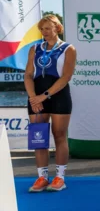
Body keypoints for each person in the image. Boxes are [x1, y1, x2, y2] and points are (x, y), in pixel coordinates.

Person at [24, 15, 77, 192]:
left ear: (57, 28)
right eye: (42, 29)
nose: (44, 32)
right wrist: (33, 97)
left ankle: (59, 178)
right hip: (36, 97)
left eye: (47, 28)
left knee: (59, 135)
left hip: (59, 96)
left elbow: (66, 77)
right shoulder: (34, 49)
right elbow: (28, 75)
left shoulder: (68, 49)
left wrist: (44, 96)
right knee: (38, 137)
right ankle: (42, 177)